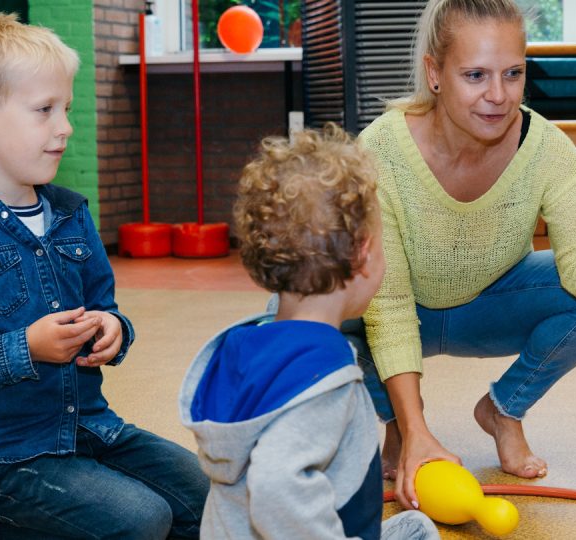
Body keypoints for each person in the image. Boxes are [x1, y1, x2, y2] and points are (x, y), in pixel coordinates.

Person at [347, 0, 576, 510]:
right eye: (475, 75)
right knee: (292, 315)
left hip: (489, 307)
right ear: (435, 73)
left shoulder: (549, 150)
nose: (497, 95)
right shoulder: (379, 149)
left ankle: (502, 409)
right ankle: (400, 423)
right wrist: (415, 426)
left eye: (513, 74)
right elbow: (388, 304)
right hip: (395, 312)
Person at [0, 13, 209, 539]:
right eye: (44, 110)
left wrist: (113, 330)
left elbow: (107, 307)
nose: (66, 126)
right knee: (140, 520)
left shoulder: (72, 214)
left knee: (205, 498)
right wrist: (25, 347)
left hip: (89, 425)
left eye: (66, 109)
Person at [179, 126, 439, 540]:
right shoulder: (321, 378)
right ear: (363, 255)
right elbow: (276, 487)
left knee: (414, 530)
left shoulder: (246, 346)